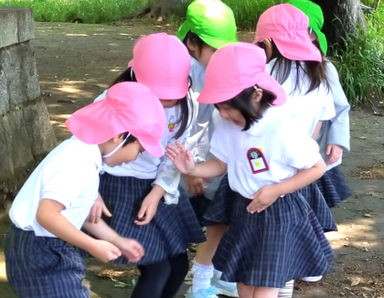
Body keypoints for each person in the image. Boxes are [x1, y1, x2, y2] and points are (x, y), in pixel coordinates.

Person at [166, 42, 334, 298]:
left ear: (256, 94)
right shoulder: (225, 122)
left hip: (278, 211)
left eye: (229, 106)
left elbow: (317, 167)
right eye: (219, 106)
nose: (223, 114)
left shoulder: (281, 127)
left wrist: (275, 190)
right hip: (244, 210)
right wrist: (193, 168)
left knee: (265, 286)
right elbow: (221, 163)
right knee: (244, 282)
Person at [4, 81, 166, 297]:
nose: (136, 158)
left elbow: (82, 214)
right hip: (39, 250)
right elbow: (47, 215)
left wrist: (117, 240)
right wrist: (92, 245)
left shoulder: (86, 154)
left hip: (46, 245)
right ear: (119, 136)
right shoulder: (78, 161)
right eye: (140, 150)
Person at [87, 33, 205, 298]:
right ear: (136, 78)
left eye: (173, 93)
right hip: (116, 186)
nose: (167, 101)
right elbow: (84, 144)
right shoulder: (111, 100)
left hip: (156, 187)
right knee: (156, 269)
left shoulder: (186, 106)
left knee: (177, 266)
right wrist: (90, 191)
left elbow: (173, 156)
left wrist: (157, 192)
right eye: (160, 94)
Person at [177, 0, 238, 297]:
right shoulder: (178, 72)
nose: (221, 56)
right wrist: (189, 170)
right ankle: (192, 282)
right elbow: (180, 125)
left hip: (210, 162)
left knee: (220, 221)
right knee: (180, 228)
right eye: (215, 49)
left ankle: (210, 277)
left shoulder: (212, 66)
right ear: (192, 43)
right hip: (182, 167)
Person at [287, 0, 352, 208]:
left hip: (316, 152)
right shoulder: (273, 64)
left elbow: (341, 107)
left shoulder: (325, 68)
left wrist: (338, 140)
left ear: (313, 34)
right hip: (284, 149)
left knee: (314, 205)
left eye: (299, 29)